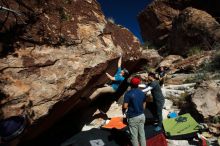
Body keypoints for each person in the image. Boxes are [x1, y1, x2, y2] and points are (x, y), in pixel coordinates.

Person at [122, 77, 146, 146]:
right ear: (138, 84)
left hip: (133, 116)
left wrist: (124, 112)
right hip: (142, 115)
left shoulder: (128, 94)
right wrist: (141, 110)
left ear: (130, 84)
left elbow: (125, 106)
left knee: (134, 136)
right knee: (142, 134)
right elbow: (144, 103)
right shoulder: (142, 92)